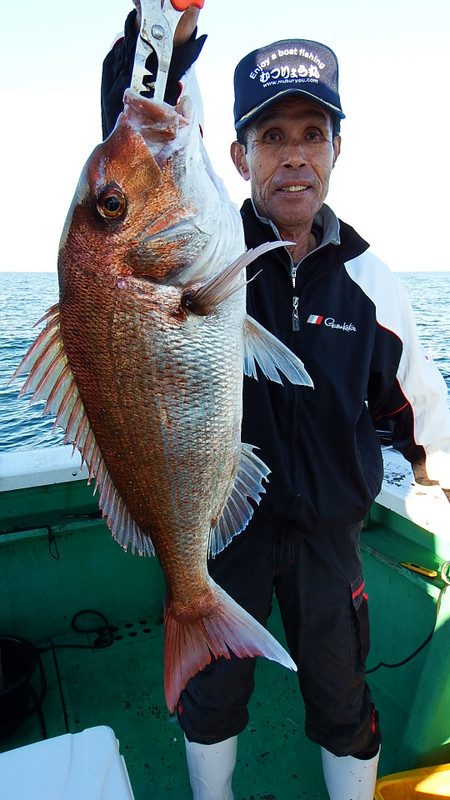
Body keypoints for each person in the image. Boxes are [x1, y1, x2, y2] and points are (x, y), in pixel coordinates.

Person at [101, 6, 450, 800]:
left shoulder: (372, 283)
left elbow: (424, 416)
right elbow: (132, 145)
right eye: (270, 137)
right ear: (236, 155)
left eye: (311, 135)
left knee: (342, 697)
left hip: (331, 540)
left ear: (335, 150)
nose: (294, 157)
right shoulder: (205, 243)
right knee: (213, 697)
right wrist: (165, 33)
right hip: (223, 531)